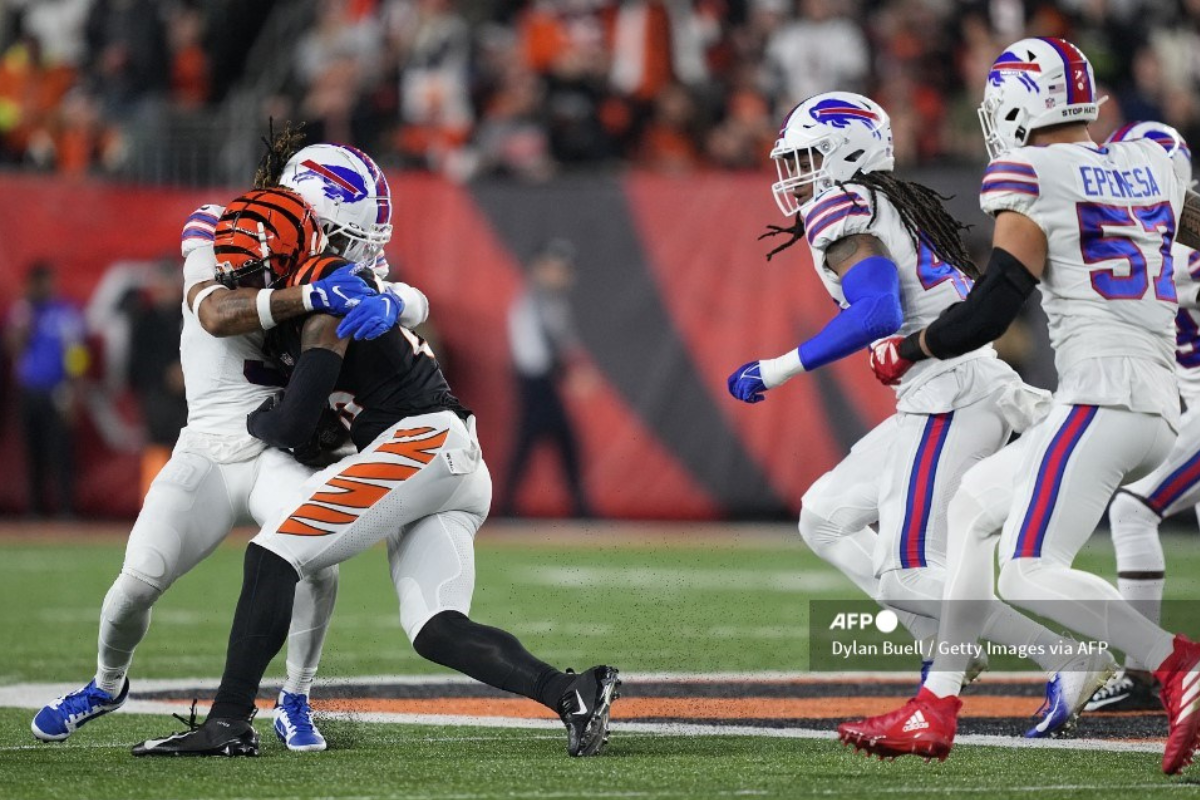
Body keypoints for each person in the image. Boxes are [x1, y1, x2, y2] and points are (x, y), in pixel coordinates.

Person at [130, 188, 620, 760]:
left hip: (420, 444)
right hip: (452, 457)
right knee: (435, 628)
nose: (245, 277)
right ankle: (571, 693)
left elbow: (290, 425)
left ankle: (229, 722)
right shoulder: (325, 278)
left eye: (254, 266)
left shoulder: (322, 283)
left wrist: (261, 420)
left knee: (272, 553)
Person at [839, 38, 1200, 776]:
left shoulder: (1028, 170)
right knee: (974, 506)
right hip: (1149, 399)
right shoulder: (1154, 161)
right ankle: (935, 706)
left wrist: (906, 350)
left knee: (1030, 570)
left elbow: (992, 306)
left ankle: (1175, 663)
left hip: (1106, 396)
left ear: (1014, 104)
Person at [725, 91, 1102, 736]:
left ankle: (1068, 656)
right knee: (825, 517)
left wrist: (777, 368)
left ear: (847, 150)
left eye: (811, 154)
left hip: (948, 394)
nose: (798, 173)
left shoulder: (841, 204)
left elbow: (879, 314)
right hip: (956, 386)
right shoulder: (890, 199)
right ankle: (941, 640)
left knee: (906, 574)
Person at [31, 136, 415, 753]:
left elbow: (409, 302)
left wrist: (396, 299)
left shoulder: (324, 260)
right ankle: (106, 685)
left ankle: (296, 699)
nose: (349, 254)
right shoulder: (222, 226)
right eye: (341, 236)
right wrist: (313, 296)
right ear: (310, 214)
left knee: (318, 559)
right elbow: (215, 312)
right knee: (135, 584)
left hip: (278, 451)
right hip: (208, 446)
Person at [1086, 121, 1197, 713]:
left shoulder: (1169, 238)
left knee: (1133, 509)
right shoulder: (1151, 229)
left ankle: (1140, 668)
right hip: (1182, 399)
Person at [500, 238, 592, 518]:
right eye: (555, 268)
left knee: (541, 442)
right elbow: (540, 346)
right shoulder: (534, 300)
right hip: (535, 380)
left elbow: (561, 341)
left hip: (543, 378)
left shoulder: (550, 300)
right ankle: (578, 508)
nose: (561, 274)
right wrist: (568, 371)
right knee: (555, 441)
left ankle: (507, 507)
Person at [5, 262, 87, 518]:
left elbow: (76, 352)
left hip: (57, 390)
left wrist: (74, 389)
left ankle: (65, 508)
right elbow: (12, 347)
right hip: (29, 390)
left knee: (60, 452)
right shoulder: (22, 312)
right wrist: (23, 322)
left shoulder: (65, 313)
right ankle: (35, 510)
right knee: (33, 452)